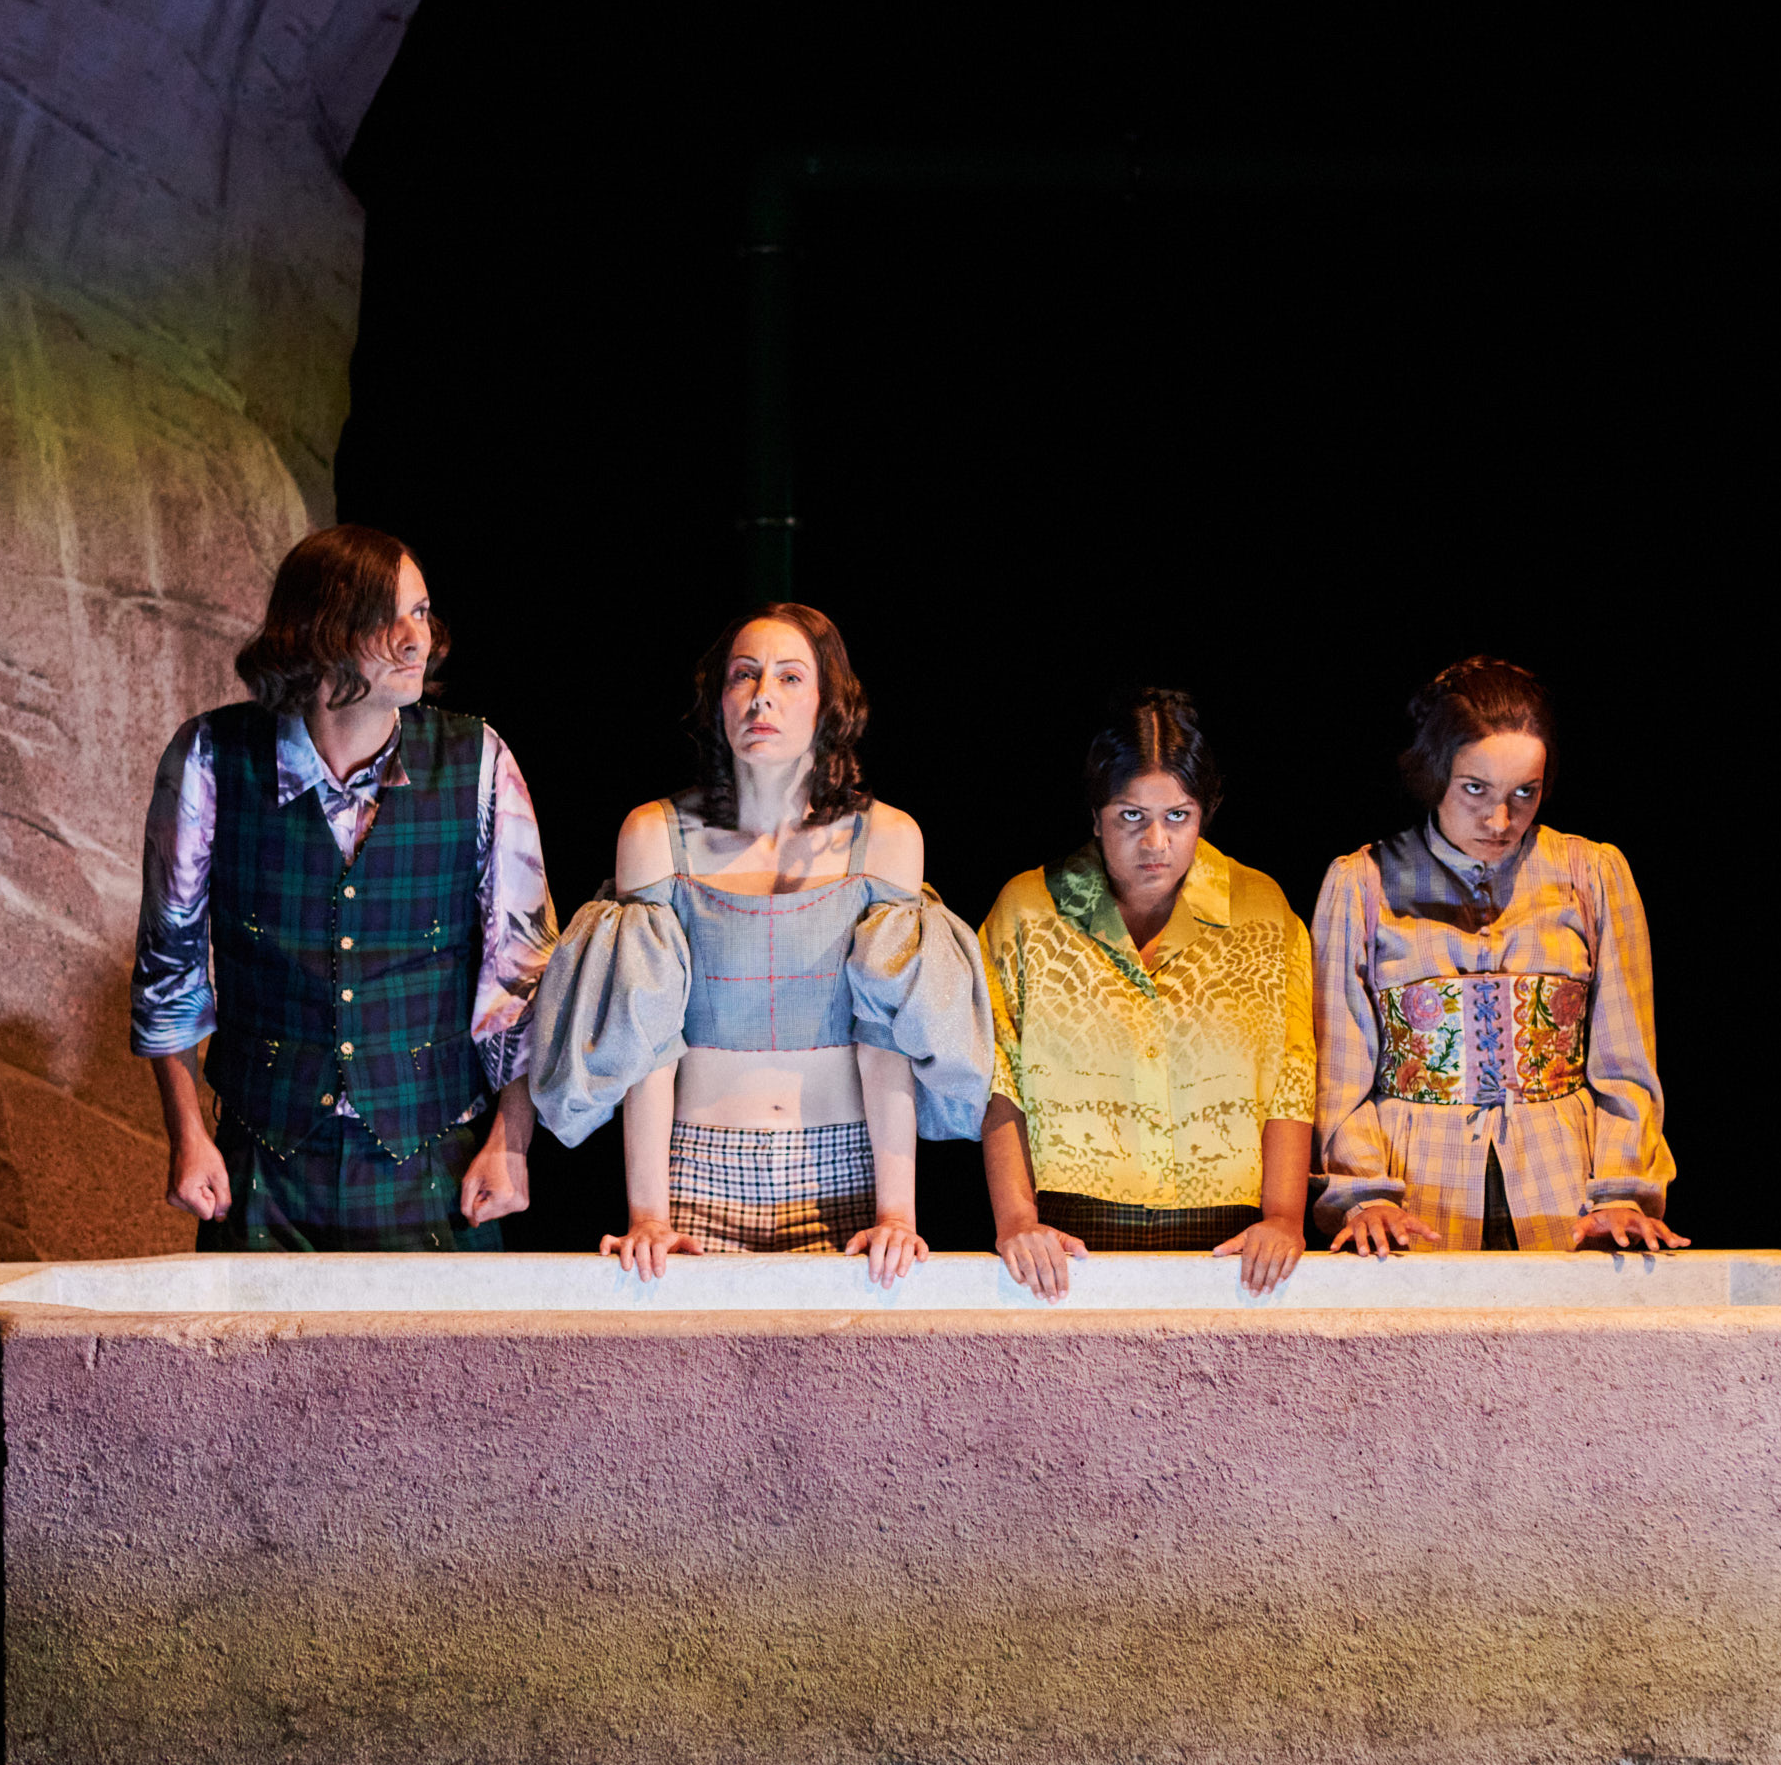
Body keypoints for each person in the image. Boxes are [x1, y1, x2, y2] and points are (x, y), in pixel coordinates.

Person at [526, 603, 993, 1280]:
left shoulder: (886, 838)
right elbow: (645, 1035)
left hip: (842, 1172)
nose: (761, 696)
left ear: (829, 704)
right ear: (718, 698)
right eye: (743, 675)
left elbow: (886, 1039)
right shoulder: (656, 835)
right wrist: (649, 1215)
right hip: (697, 1173)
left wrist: (897, 1214)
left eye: (790, 677)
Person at [131, 526, 556, 1250]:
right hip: (262, 1166)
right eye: (388, 617)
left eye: (421, 612)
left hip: (433, 1164)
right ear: (319, 629)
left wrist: (511, 1141)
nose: (417, 639)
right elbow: (168, 965)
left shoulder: (478, 759)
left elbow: (523, 976)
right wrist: (188, 1133)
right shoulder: (210, 757)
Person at [1313, 656, 1684, 1255]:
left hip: (1566, 1192)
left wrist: (1621, 1191)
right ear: (1436, 772)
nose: (1499, 819)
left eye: (1524, 793)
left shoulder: (1591, 874)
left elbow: (1626, 1061)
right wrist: (1364, 1193)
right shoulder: (1362, 883)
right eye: (1475, 789)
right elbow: (1340, 1066)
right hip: (1414, 1194)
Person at [978, 689, 1316, 1300]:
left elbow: (1291, 1075)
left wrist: (1285, 1217)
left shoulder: (1261, 911)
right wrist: (1017, 1219)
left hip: (1233, 1236)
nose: (1156, 842)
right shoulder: (1028, 911)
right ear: (1096, 815)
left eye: (1177, 816)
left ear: (1204, 812)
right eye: (1131, 816)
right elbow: (998, 1075)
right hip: (1066, 1232)